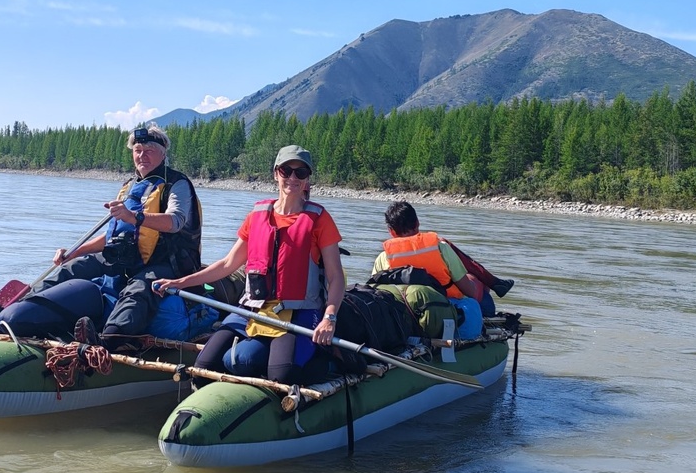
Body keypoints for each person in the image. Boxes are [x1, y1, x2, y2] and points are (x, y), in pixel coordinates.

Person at [0, 123, 202, 344]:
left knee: (140, 288)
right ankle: (10, 310)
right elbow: (113, 236)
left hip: (167, 261)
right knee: (72, 268)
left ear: (163, 155)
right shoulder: (131, 185)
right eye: (138, 150)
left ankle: (111, 338)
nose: (142, 156)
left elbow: (176, 221)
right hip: (127, 257)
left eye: (149, 151)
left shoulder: (177, 184)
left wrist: (135, 217)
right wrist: (74, 252)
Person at [153, 145, 345, 384]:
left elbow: (336, 277)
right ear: (276, 173)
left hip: (298, 313)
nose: (293, 178)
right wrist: (180, 282)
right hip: (252, 309)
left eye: (301, 173)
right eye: (286, 171)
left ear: (308, 179)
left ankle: (323, 361)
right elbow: (227, 264)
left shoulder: (320, 219)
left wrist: (330, 317)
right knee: (203, 367)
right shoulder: (257, 215)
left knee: (282, 375)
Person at [371, 200, 512, 336]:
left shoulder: (383, 258)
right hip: (444, 312)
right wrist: (480, 285)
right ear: (417, 223)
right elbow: (470, 292)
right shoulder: (440, 247)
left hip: (405, 317)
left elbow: (376, 293)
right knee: (482, 298)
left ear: (391, 231)